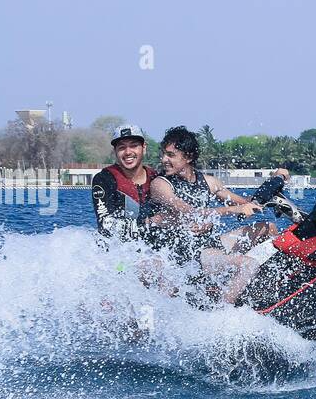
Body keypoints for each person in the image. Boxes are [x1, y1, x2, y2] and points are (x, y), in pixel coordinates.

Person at [141, 126, 287, 303]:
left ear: (188, 157)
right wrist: (231, 210)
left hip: (210, 245)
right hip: (185, 256)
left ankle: (274, 286)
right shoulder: (160, 185)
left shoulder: (209, 182)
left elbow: (245, 202)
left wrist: (274, 180)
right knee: (249, 264)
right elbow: (191, 213)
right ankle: (222, 313)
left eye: (171, 155)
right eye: (164, 154)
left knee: (268, 227)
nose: (164, 160)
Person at [90, 125, 156, 241]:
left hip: (154, 250)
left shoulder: (156, 178)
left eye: (134, 146)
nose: (128, 152)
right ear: (115, 151)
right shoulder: (104, 179)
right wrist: (149, 222)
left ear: (144, 147)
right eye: (122, 148)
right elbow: (106, 225)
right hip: (119, 250)